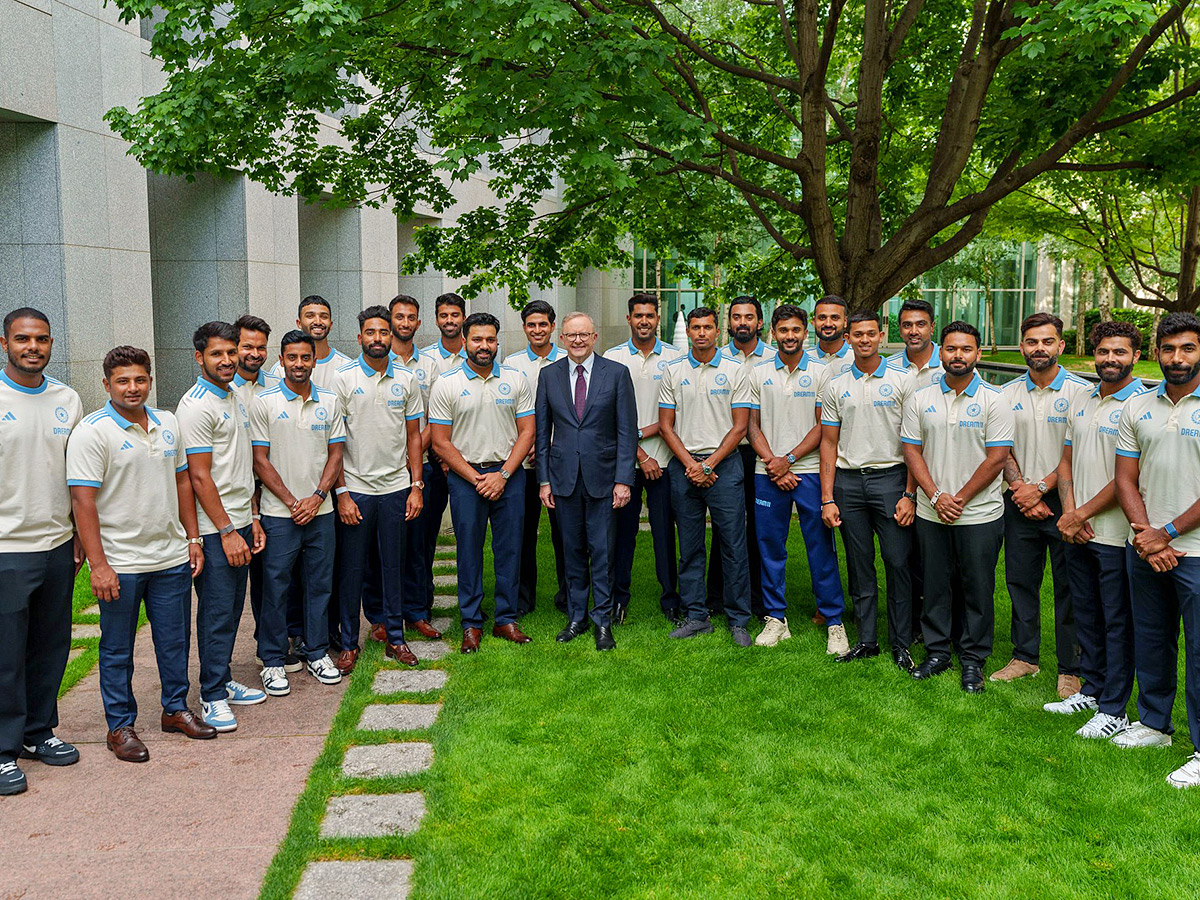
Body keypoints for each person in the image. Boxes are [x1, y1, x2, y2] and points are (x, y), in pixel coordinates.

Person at [67, 346, 216, 762]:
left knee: (174, 642)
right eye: (122, 381)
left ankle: (175, 709)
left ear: (150, 380)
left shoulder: (168, 423)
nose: (133, 388)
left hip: (169, 557)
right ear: (106, 384)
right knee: (117, 648)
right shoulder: (92, 432)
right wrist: (99, 565)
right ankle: (120, 726)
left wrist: (193, 539)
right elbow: (83, 502)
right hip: (120, 563)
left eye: (140, 380)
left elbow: (183, 483)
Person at [901, 322, 1013, 692]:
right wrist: (935, 496)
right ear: (941, 353)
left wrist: (960, 498)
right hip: (932, 511)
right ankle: (937, 652)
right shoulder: (921, 398)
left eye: (966, 349)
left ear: (978, 354)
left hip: (979, 513)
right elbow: (912, 451)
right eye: (951, 349)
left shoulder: (995, 400)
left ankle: (972, 659)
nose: (958, 356)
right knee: (934, 585)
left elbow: (997, 458)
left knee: (977, 587)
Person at [1114, 312, 1200, 787]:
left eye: (1187, 348)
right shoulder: (1138, 406)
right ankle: (1153, 724)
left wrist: (1165, 532)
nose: (1177, 358)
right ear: (1156, 352)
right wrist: (1146, 534)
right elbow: (1126, 477)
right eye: (1168, 349)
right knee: (1152, 638)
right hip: (1144, 547)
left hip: (1196, 551)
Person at [0, 308, 83, 795]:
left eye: (42, 339)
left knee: (51, 645)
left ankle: (38, 732)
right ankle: (3, 750)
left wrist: (75, 535)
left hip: (56, 543)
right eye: (23, 339)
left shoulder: (65, 399)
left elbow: (74, 474)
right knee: (6, 654)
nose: (33, 347)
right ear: (5, 343)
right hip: (7, 547)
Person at [1053, 321, 1146, 737]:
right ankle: (1092, 690)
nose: (1111, 359)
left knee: (1116, 620)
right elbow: (1067, 460)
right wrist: (1070, 510)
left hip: (1112, 534)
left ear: (1136, 357)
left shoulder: (1141, 405)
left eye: (1120, 352)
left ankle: (1115, 708)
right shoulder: (1082, 398)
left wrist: (1081, 513)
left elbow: (1129, 475)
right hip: (1079, 530)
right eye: (1104, 351)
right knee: (1087, 614)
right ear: (1094, 354)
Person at [176, 322, 267, 733]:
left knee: (232, 609)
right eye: (217, 354)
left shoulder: (232, 397)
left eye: (232, 352)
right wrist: (227, 531)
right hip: (218, 530)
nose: (228, 360)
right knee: (215, 611)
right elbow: (199, 477)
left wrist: (253, 518)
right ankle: (211, 695)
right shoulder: (196, 406)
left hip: (240, 520)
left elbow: (239, 465)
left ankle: (223, 679)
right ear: (199, 357)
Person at [996, 313, 1090, 698]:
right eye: (1032, 342)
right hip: (1018, 500)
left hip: (1067, 501)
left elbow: (1077, 452)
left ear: (1060, 346)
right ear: (1022, 347)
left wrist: (1040, 488)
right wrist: (1021, 488)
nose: (1039, 349)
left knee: (1070, 587)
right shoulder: (1006, 393)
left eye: (1047, 342)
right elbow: (1000, 448)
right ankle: (1025, 656)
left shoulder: (1082, 393)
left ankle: (1072, 668)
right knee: (1020, 581)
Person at [429, 312, 536, 653]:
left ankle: (506, 619)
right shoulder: (447, 383)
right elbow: (440, 442)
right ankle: (471, 623)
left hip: (509, 476)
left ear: (497, 342)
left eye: (490, 340)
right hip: (467, 479)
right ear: (464, 342)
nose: (484, 346)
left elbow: (528, 431)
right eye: (477, 339)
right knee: (469, 551)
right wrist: (477, 478)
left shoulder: (516, 380)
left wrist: (502, 474)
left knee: (509, 549)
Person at [747, 304, 848, 654]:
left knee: (820, 546)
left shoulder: (822, 372)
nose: (789, 336)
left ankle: (835, 621)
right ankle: (776, 618)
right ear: (772, 333)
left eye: (795, 330)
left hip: (807, 472)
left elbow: (824, 426)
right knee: (770, 548)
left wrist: (789, 460)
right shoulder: (757, 372)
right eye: (783, 330)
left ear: (805, 332)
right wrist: (773, 462)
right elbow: (751, 425)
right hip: (767, 473)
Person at [249, 330, 346, 696]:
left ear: (314, 360)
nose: (299, 364)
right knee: (276, 588)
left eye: (305, 357)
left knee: (320, 585)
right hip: (279, 514)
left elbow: (335, 454)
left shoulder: (331, 402)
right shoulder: (265, 402)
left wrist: (318, 496)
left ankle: (318, 652)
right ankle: (273, 660)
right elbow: (260, 460)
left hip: (321, 511)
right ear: (282, 359)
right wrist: (292, 502)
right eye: (292, 358)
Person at [819, 310, 917, 669]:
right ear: (847, 338)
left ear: (881, 336)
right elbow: (828, 443)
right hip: (848, 483)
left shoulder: (904, 380)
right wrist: (827, 497)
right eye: (857, 334)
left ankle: (901, 643)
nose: (864, 340)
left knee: (897, 562)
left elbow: (913, 442)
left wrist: (909, 494)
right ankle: (867, 640)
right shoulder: (835, 384)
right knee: (860, 566)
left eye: (870, 334)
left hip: (891, 480)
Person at [330, 308, 424, 673]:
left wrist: (416, 486)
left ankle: (396, 639)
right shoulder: (343, 379)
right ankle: (349, 643)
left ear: (391, 337)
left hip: (396, 488)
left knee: (393, 565)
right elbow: (334, 445)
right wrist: (342, 493)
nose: (378, 339)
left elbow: (414, 436)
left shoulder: (407, 379)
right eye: (371, 332)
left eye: (383, 332)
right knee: (352, 569)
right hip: (356, 487)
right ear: (359, 338)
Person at [536, 313, 637, 650]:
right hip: (564, 479)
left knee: (603, 550)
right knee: (572, 550)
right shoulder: (548, 376)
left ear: (595, 337)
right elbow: (541, 433)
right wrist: (544, 481)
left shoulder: (617, 374)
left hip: (605, 479)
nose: (577, 341)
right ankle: (577, 616)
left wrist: (624, 479)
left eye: (583, 335)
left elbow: (626, 432)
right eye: (570, 335)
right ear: (561, 338)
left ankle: (603, 620)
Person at [658, 306, 755, 647]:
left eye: (707, 327)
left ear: (718, 331)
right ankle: (696, 615)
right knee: (690, 547)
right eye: (696, 327)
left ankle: (738, 619)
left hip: (724, 467)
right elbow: (666, 426)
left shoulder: (735, 370)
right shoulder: (672, 370)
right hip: (684, 467)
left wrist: (710, 464)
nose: (701, 333)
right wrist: (691, 465)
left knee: (733, 546)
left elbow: (740, 426)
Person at [604, 294, 683, 624]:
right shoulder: (612, 357)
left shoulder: (677, 358)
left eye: (650, 315)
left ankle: (671, 601)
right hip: (624, 464)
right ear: (629, 319)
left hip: (665, 461)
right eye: (638, 316)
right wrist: (637, 451)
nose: (644, 321)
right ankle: (618, 601)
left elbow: (677, 412)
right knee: (622, 536)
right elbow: (604, 413)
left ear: (657, 319)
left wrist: (641, 440)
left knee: (666, 535)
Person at [231, 316, 300, 672]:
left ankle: (276, 641)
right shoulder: (227, 390)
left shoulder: (276, 385)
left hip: (272, 494)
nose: (254, 354)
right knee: (237, 588)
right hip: (237, 499)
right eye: (247, 346)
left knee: (272, 578)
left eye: (260, 347)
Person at [707, 296, 775, 618]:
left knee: (758, 527)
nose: (742, 322)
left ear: (760, 322)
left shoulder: (775, 360)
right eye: (736, 317)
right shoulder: (715, 359)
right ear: (729, 323)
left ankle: (759, 600)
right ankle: (717, 598)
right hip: (727, 454)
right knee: (725, 527)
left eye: (749, 317)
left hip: (762, 456)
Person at [503, 300, 568, 616]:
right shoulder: (511, 364)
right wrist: (524, 446)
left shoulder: (570, 361)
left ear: (553, 327)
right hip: (523, 463)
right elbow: (508, 413)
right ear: (524, 327)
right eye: (531, 324)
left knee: (565, 533)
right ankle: (522, 599)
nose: (538, 330)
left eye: (543, 324)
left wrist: (545, 444)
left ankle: (568, 596)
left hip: (560, 460)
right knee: (522, 533)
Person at [887, 298, 945, 643]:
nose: (913, 331)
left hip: (941, 473)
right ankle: (907, 622)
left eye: (920, 324)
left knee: (936, 558)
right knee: (903, 553)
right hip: (900, 470)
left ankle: (938, 624)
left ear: (931, 327)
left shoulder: (952, 360)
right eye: (906, 325)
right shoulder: (891, 367)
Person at [387, 294, 442, 641]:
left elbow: (437, 416)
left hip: (421, 467)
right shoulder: (378, 360)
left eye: (411, 318)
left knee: (421, 545)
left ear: (419, 323)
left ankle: (419, 612)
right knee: (388, 546)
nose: (405, 323)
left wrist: (416, 448)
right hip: (386, 472)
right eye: (399, 317)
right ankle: (383, 617)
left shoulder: (431, 365)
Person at [418, 293, 468, 633]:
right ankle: (423, 603)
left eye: (455, 314)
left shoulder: (481, 352)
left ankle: (472, 605)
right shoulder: (426, 361)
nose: (450, 320)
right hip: (434, 462)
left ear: (463, 317)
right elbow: (429, 416)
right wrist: (440, 453)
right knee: (426, 538)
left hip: (473, 465)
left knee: (469, 535)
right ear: (436, 320)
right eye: (444, 315)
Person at [268, 296, 351, 386]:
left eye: (324, 316)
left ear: (330, 325)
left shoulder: (346, 366)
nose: (318, 322)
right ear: (299, 323)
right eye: (310, 316)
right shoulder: (280, 370)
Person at [812, 295, 854, 377]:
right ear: (814, 321)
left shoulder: (857, 358)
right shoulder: (803, 358)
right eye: (822, 317)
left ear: (845, 322)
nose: (828, 324)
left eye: (835, 318)